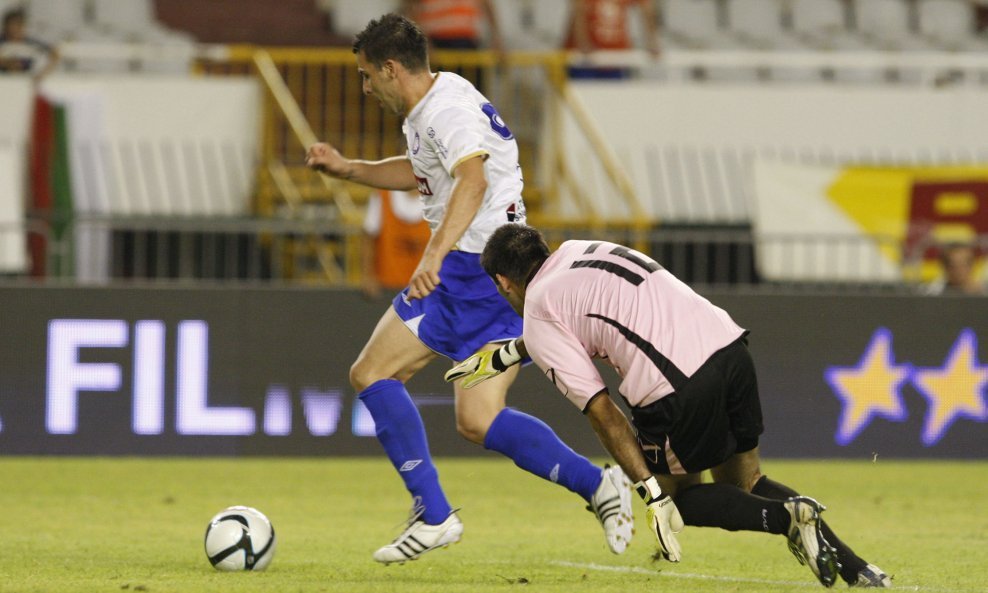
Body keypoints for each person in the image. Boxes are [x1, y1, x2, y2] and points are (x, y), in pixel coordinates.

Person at [305, 14, 633, 564]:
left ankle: (434, 515)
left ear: (390, 69)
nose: (366, 88)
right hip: (485, 267)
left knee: (375, 374)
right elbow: (425, 173)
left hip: (472, 271)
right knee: (474, 419)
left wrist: (432, 255)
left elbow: (472, 179)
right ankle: (598, 487)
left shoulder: (446, 110)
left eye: (367, 76)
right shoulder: (436, 102)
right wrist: (348, 170)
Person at [448, 223, 892, 588]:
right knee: (747, 479)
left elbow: (603, 412)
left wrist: (651, 493)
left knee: (678, 501)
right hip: (730, 348)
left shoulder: (538, 310)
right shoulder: (580, 250)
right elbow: (587, 310)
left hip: (676, 386)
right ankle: (860, 571)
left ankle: (784, 519)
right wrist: (512, 352)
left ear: (503, 281)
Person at [360, 189, 430, 300]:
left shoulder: (439, 196)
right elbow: (368, 236)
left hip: (426, 288)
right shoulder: (382, 194)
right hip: (386, 288)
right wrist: (368, 276)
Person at [564, 0, 661, 79]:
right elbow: (578, 10)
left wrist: (652, 42)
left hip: (616, 56)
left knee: (614, 98)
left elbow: (646, 10)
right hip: (586, 59)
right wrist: (583, 43)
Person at [0, 7, 59, 82]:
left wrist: (43, 73)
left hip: (25, 81)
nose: (13, 29)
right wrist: (6, 63)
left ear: (23, 26)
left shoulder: (30, 43)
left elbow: (55, 53)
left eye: (17, 25)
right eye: (11, 25)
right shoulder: (2, 42)